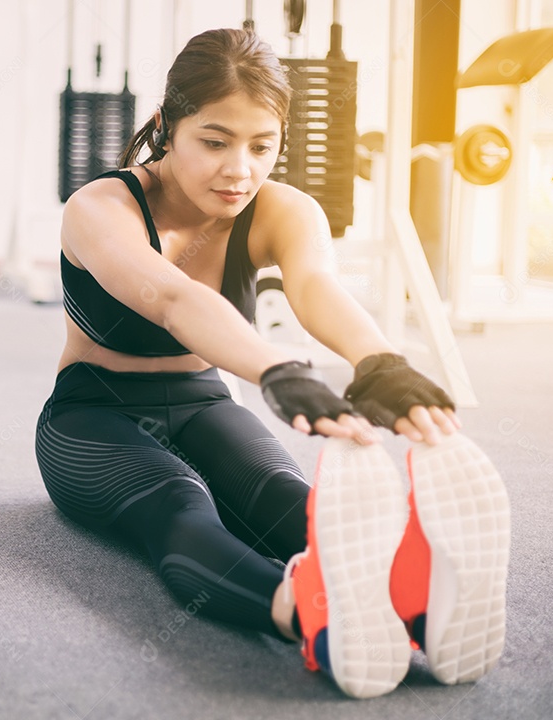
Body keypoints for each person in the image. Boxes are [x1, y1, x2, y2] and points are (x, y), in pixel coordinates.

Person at [34, 28, 508, 699]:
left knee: (294, 504)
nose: (240, 169)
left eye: (263, 145)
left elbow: (317, 289)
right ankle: (306, 613)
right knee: (182, 502)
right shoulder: (102, 208)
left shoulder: (282, 210)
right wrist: (280, 371)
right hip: (91, 418)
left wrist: (380, 364)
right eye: (216, 141)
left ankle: (410, 599)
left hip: (203, 405)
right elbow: (172, 299)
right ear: (169, 127)